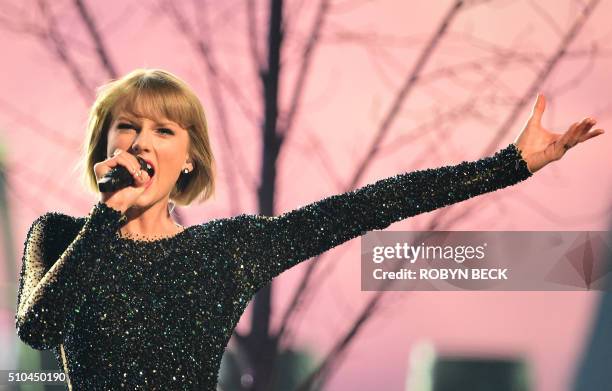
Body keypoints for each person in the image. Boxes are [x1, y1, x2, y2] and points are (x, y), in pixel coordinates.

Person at [14, 68, 605, 390]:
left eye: (164, 130)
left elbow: (370, 205)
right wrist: (105, 218)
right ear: (106, 142)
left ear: (189, 158)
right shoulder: (61, 235)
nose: (141, 140)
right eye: (128, 126)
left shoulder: (228, 249)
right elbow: (38, 327)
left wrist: (510, 165)